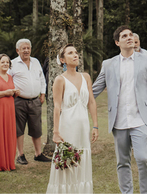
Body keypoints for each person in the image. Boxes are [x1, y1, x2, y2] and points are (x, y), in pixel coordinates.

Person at [92, 26, 147, 194]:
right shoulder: (108, 64)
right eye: (124, 36)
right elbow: (93, 90)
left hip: (141, 119)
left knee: (143, 158)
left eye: (130, 35)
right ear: (117, 42)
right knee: (123, 162)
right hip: (119, 121)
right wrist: (74, 97)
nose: (129, 38)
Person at [46, 45, 99, 194]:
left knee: (82, 160)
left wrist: (95, 125)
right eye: (70, 53)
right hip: (67, 127)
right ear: (62, 60)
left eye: (76, 52)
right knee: (67, 160)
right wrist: (56, 132)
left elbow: (91, 102)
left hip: (83, 127)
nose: (75, 55)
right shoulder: (60, 80)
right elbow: (57, 107)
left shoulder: (86, 77)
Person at [11, 38, 50, 164]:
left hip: (35, 101)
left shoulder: (36, 61)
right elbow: (7, 80)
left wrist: (43, 94)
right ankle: (20, 155)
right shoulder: (12, 64)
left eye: (28, 48)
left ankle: (38, 153)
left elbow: (42, 79)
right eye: (23, 48)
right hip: (19, 101)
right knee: (19, 128)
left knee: (36, 128)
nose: (26, 50)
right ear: (18, 50)